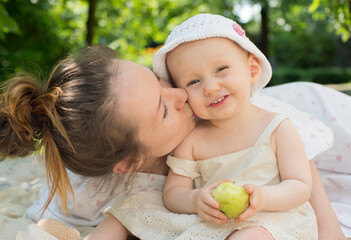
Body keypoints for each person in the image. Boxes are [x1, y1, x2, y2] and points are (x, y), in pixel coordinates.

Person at [0, 42, 345, 239]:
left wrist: (330, 233)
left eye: (159, 80)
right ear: (129, 162)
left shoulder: (212, 108)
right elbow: (64, 217)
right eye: (163, 110)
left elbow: (303, 158)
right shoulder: (84, 189)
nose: (181, 93)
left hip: (310, 109)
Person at [158, 13, 316, 239]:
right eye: (193, 81)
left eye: (221, 69)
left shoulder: (277, 128)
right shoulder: (192, 140)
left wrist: (264, 197)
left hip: (273, 220)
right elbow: (173, 193)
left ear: (252, 70)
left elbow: (300, 185)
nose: (210, 88)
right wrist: (195, 200)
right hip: (212, 226)